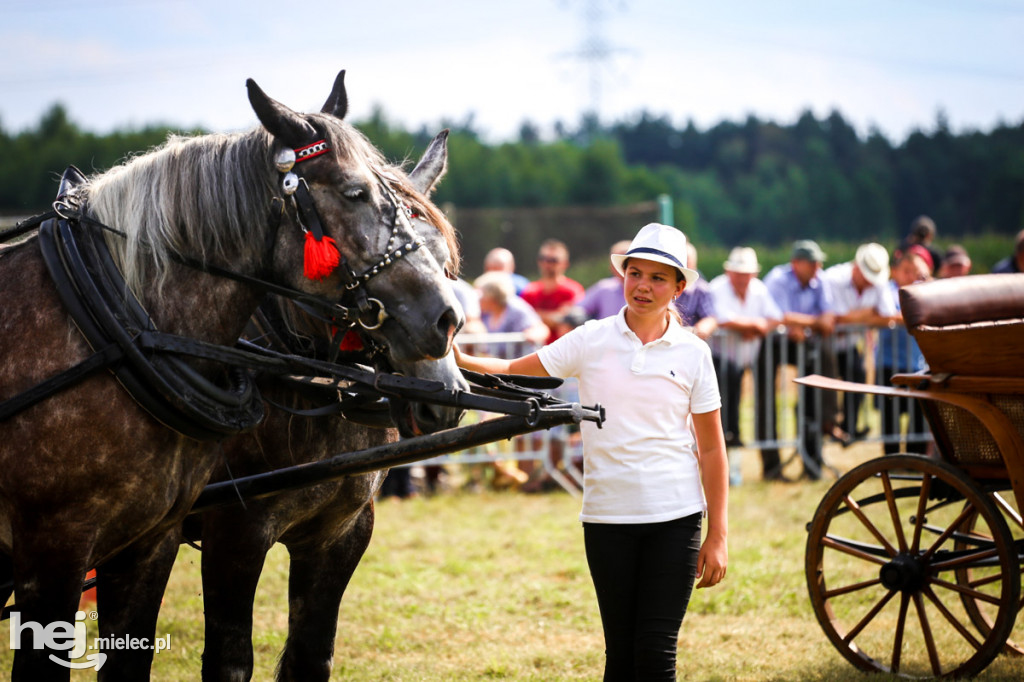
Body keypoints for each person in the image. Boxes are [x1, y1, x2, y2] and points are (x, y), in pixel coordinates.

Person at [454, 223, 728, 680]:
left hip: (677, 519)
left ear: (679, 287)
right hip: (607, 520)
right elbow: (515, 371)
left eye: (658, 278)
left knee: (656, 658)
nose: (642, 286)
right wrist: (457, 360)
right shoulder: (591, 338)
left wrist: (717, 534)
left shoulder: (694, 353)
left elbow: (713, 449)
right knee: (619, 658)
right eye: (635, 273)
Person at [758, 239, 838, 481]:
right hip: (771, 344)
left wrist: (800, 323)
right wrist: (812, 322)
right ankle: (771, 467)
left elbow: (829, 318)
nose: (818, 266)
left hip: (805, 343)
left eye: (818, 262)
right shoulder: (777, 279)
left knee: (813, 395)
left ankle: (813, 459)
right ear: (796, 263)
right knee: (766, 402)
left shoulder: (820, 280)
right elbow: (780, 317)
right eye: (812, 262)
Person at [708, 247, 782, 479]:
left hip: (752, 356)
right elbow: (720, 319)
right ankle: (726, 473)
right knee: (725, 415)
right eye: (738, 272)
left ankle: (769, 467)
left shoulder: (759, 290)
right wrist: (754, 326)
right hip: (722, 361)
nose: (742, 278)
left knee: (765, 409)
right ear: (729, 272)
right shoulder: (717, 288)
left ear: (754, 274)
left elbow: (774, 318)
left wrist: (756, 327)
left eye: (747, 273)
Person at [822, 243, 898, 440]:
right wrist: (869, 313)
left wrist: (850, 317)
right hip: (824, 346)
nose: (871, 283)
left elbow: (887, 316)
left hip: (848, 345)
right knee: (821, 390)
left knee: (858, 376)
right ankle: (828, 426)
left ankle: (849, 427)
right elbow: (834, 318)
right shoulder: (832, 278)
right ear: (856, 267)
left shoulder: (878, 283)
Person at [876, 246, 932, 455]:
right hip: (890, 363)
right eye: (906, 270)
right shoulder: (887, 290)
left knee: (918, 414)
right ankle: (891, 458)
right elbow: (888, 314)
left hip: (916, 364)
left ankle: (914, 458)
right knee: (890, 414)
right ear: (894, 271)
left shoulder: (924, 290)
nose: (910, 275)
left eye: (914, 271)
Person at [521, 239, 585, 343]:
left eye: (553, 260)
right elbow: (522, 320)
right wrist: (554, 317)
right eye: (542, 259)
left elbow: (571, 321)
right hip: (535, 352)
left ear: (565, 264)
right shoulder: (530, 291)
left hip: (563, 351)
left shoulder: (573, 290)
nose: (546, 264)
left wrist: (538, 316)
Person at [571, 239, 632, 322]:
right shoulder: (604, 288)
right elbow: (579, 308)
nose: (622, 267)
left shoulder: (645, 289)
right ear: (611, 266)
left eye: (625, 262)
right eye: (617, 262)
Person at [674, 242, 718, 339]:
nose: (683, 264)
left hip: (686, 344)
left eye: (687, 259)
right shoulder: (661, 285)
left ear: (694, 264)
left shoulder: (701, 290)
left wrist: (693, 334)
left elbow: (710, 318)